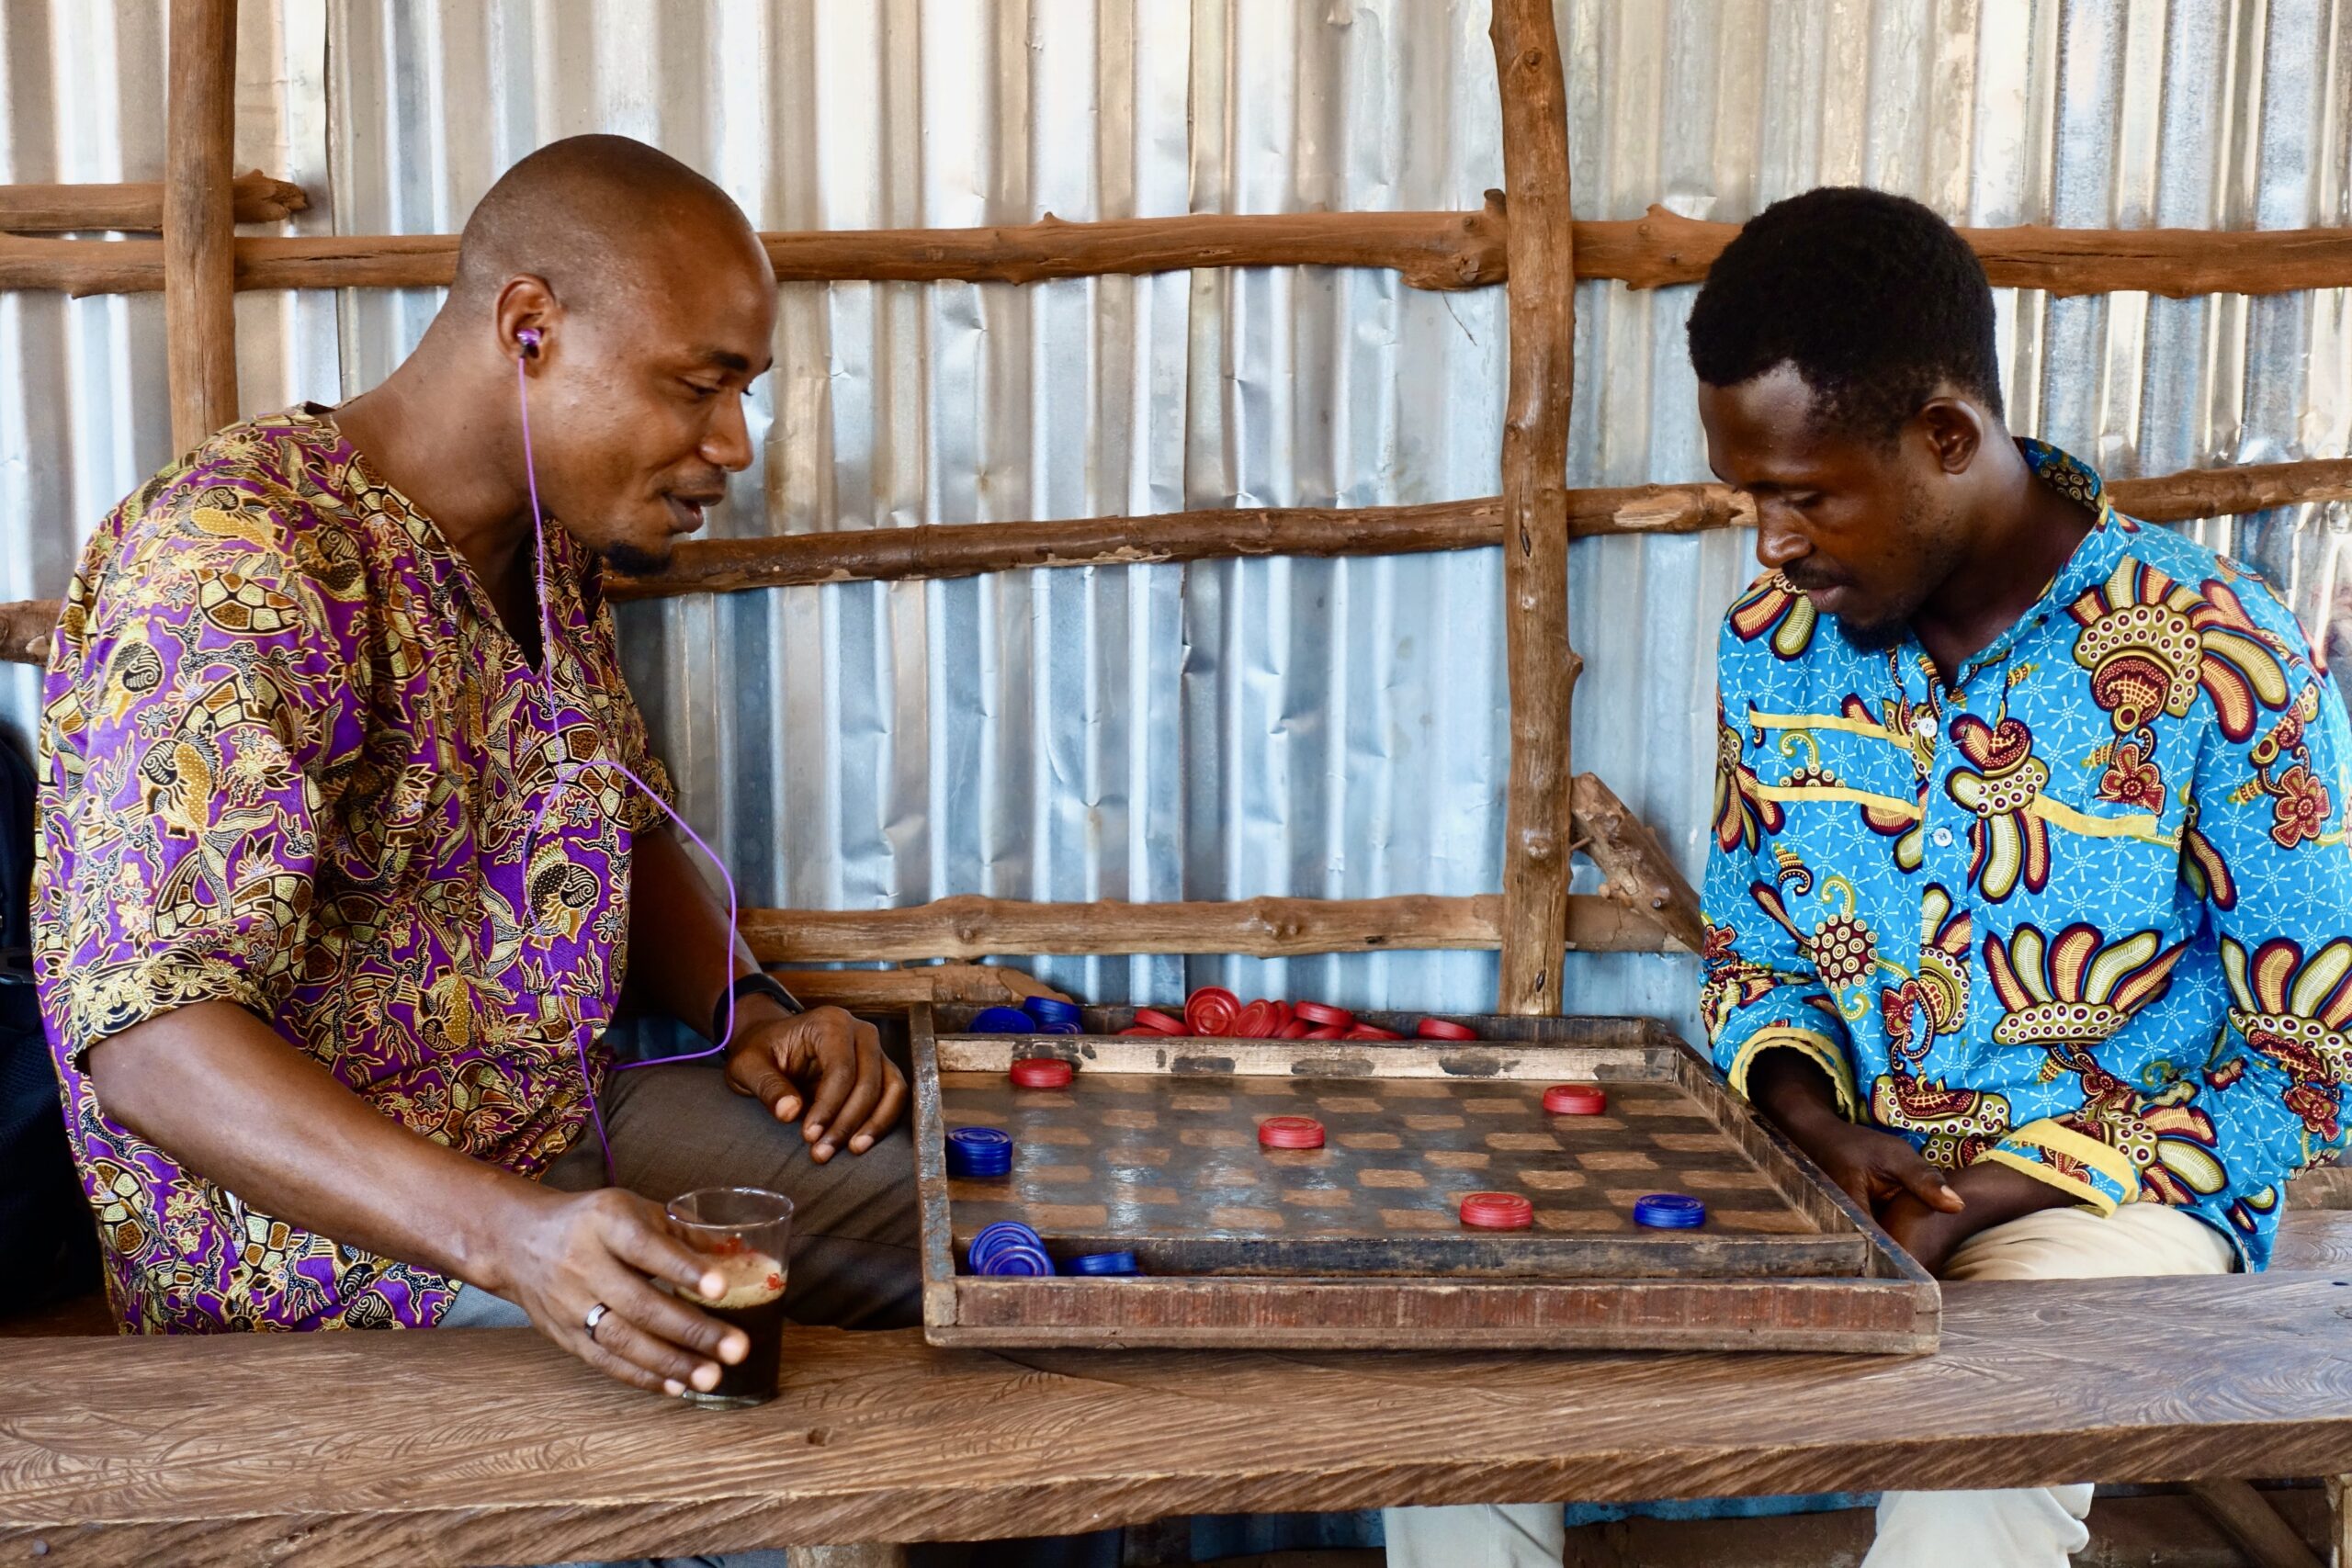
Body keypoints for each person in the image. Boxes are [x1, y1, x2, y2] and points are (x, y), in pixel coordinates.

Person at [1396, 186, 2352, 1567]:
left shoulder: (2222, 659)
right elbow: (1763, 950)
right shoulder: (1774, 644)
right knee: (1465, 1376)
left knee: (1983, 1461)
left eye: (1804, 495)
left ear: (1946, 439)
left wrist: (1990, 1196)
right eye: (1754, 497)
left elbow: (2312, 1059)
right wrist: (1807, 1124)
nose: (1773, 541)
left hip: (2103, 1203)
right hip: (1833, 1186)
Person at [32, 135, 921, 1416]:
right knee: (724, 1471)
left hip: (550, 1141)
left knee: (969, 1215)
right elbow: (155, 1049)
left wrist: (752, 1009)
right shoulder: (235, 571)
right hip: (318, 1260)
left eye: (744, 392)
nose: (735, 440)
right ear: (529, 329)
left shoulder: (550, 551)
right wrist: (517, 1240)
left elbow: (612, 817)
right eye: (701, 385)